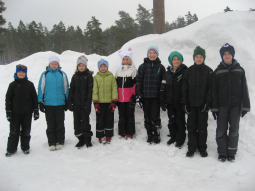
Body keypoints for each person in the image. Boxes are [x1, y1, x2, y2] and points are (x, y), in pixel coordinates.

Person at [211, 43, 250, 162]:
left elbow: (244, 89)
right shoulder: (218, 71)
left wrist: (245, 107)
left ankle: (232, 151)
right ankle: (222, 152)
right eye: (225, 54)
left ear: (232, 55)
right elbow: (214, 91)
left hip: (235, 106)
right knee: (221, 130)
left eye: (229, 54)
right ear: (222, 56)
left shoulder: (239, 70)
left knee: (233, 130)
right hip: (222, 106)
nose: (227, 56)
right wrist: (214, 108)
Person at [181, 46, 213, 157]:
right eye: (197, 56)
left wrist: (208, 103)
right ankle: (191, 147)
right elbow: (184, 89)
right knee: (191, 127)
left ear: (204, 58)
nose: (198, 58)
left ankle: (202, 148)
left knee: (202, 127)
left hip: (203, 106)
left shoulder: (209, 72)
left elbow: (211, 89)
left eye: (201, 57)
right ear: (194, 58)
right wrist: (184, 103)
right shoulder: (188, 71)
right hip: (191, 106)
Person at [5, 64, 39, 156]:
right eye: (19, 72)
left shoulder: (30, 84)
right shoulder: (12, 85)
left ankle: (25, 147)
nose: (21, 74)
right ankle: (11, 149)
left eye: (23, 72)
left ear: (25, 74)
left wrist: (36, 110)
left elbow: (34, 98)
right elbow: (8, 99)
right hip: (15, 113)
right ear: (16, 73)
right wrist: (8, 112)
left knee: (26, 131)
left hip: (27, 113)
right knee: (14, 132)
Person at [38, 55, 69, 151]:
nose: (54, 65)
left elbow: (66, 88)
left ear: (58, 64)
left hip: (60, 103)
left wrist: (67, 101)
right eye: (52, 64)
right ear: (49, 64)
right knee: (50, 124)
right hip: (48, 104)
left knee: (60, 123)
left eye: (56, 64)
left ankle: (60, 141)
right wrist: (40, 102)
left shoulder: (62, 74)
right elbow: (40, 88)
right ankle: (51, 142)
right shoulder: (45, 74)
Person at [136, 46, 166, 144]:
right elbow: (139, 82)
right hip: (145, 97)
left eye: (154, 53)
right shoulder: (142, 66)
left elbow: (164, 83)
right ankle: (149, 134)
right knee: (147, 117)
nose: (152, 55)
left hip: (156, 97)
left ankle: (156, 134)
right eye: (150, 53)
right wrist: (139, 95)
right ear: (147, 54)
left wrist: (162, 96)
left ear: (157, 55)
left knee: (155, 117)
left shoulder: (161, 67)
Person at [160, 51, 188, 148]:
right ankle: (173, 136)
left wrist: (185, 101)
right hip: (170, 102)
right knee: (171, 120)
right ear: (171, 61)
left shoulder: (185, 72)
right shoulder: (167, 73)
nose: (176, 61)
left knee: (180, 121)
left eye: (178, 59)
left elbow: (186, 88)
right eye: (174, 59)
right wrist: (162, 100)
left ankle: (180, 139)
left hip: (180, 103)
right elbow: (163, 87)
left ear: (181, 60)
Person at [68, 55, 93, 148]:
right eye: (79, 66)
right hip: (76, 105)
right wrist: (70, 102)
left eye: (83, 65)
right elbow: (71, 90)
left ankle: (87, 139)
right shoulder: (75, 76)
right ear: (77, 67)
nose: (81, 67)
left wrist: (88, 104)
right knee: (77, 123)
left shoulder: (89, 76)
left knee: (85, 123)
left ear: (85, 66)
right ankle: (81, 139)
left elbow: (90, 91)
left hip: (85, 104)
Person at [92, 59, 118, 144]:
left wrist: (114, 101)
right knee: (100, 119)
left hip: (109, 102)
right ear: (99, 68)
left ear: (107, 67)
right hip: (99, 103)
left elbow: (114, 89)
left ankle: (108, 135)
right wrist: (95, 102)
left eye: (104, 66)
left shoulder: (111, 76)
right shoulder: (96, 77)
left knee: (109, 118)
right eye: (101, 67)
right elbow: (94, 90)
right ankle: (100, 136)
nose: (103, 68)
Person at [115, 48, 137, 139]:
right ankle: (122, 132)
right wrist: (115, 97)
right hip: (120, 98)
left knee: (130, 115)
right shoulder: (118, 70)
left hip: (129, 98)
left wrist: (134, 96)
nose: (125, 61)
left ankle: (130, 132)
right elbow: (115, 85)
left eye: (127, 59)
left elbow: (135, 85)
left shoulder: (133, 70)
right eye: (124, 59)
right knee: (122, 115)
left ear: (130, 60)